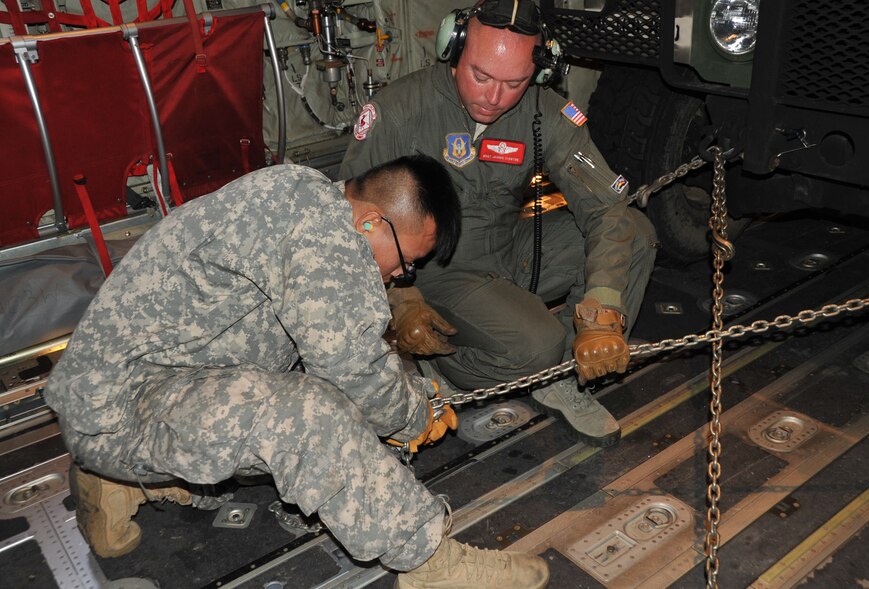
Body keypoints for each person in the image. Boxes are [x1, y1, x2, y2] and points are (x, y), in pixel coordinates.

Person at [45, 157, 549, 589]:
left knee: (326, 391)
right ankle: (428, 561)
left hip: (144, 385)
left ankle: (121, 479)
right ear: (373, 220)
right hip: (118, 410)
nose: (401, 277)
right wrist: (416, 412)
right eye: (407, 263)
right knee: (305, 412)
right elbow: (351, 370)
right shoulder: (321, 231)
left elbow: (331, 349)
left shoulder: (307, 203)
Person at [339, 0, 658, 448]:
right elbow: (349, 217)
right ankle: (449, 368)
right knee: (536, 344)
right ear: (454, 48)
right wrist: (402, 299)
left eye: (515, 83)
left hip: (511, 251)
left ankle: (557, 374)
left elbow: (606, 208)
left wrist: (602, 312)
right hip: (437, 273)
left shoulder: (545, 112)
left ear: (540, 72)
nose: (493, 97)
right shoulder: (400, 109)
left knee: (638, 235)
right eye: (480, 75)